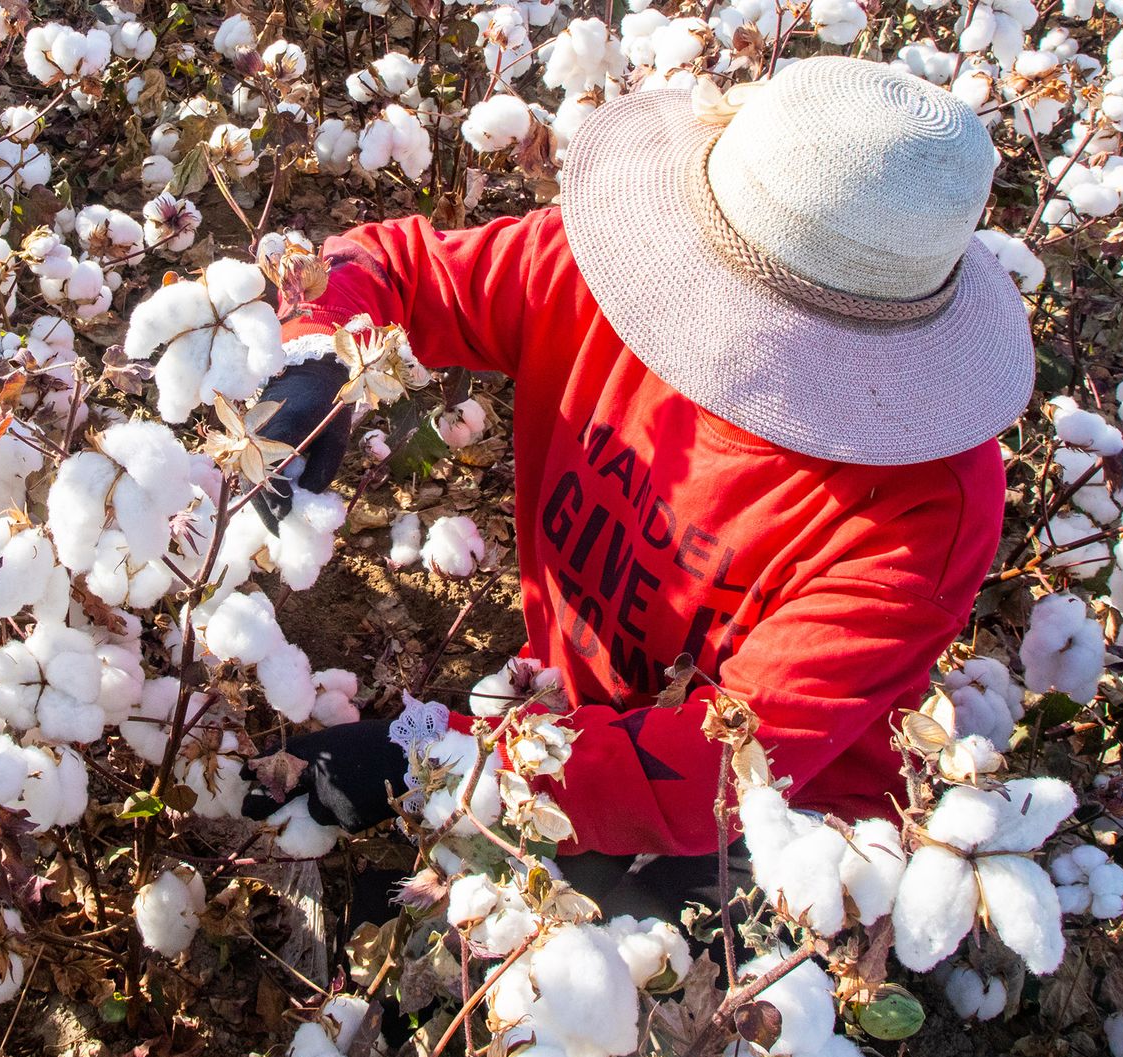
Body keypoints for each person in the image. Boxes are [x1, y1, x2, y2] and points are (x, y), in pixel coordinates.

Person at [238, 56, 1035, 920]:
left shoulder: (923, 511)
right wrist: (312, 355)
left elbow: (719, 772)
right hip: (571, 714)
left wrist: (429, 760)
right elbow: (390, 265)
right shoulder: (606, 276)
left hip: (782, 819)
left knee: (621, 978)